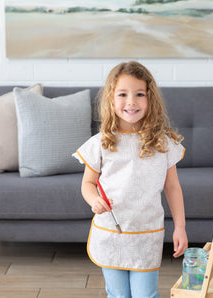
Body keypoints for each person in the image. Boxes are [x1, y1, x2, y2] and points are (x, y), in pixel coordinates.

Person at [73, 61, 188, 298]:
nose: (131, 102)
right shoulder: (101, 142)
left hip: (146, 233)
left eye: (139, 94)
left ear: (150, 99)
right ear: (111, 99)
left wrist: (181, 227)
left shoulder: (163, 143)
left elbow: (173, 187)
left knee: (146, 295)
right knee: (118, 295)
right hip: (110, 234)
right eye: (122, 94)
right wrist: (93, 200)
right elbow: (88, 184)